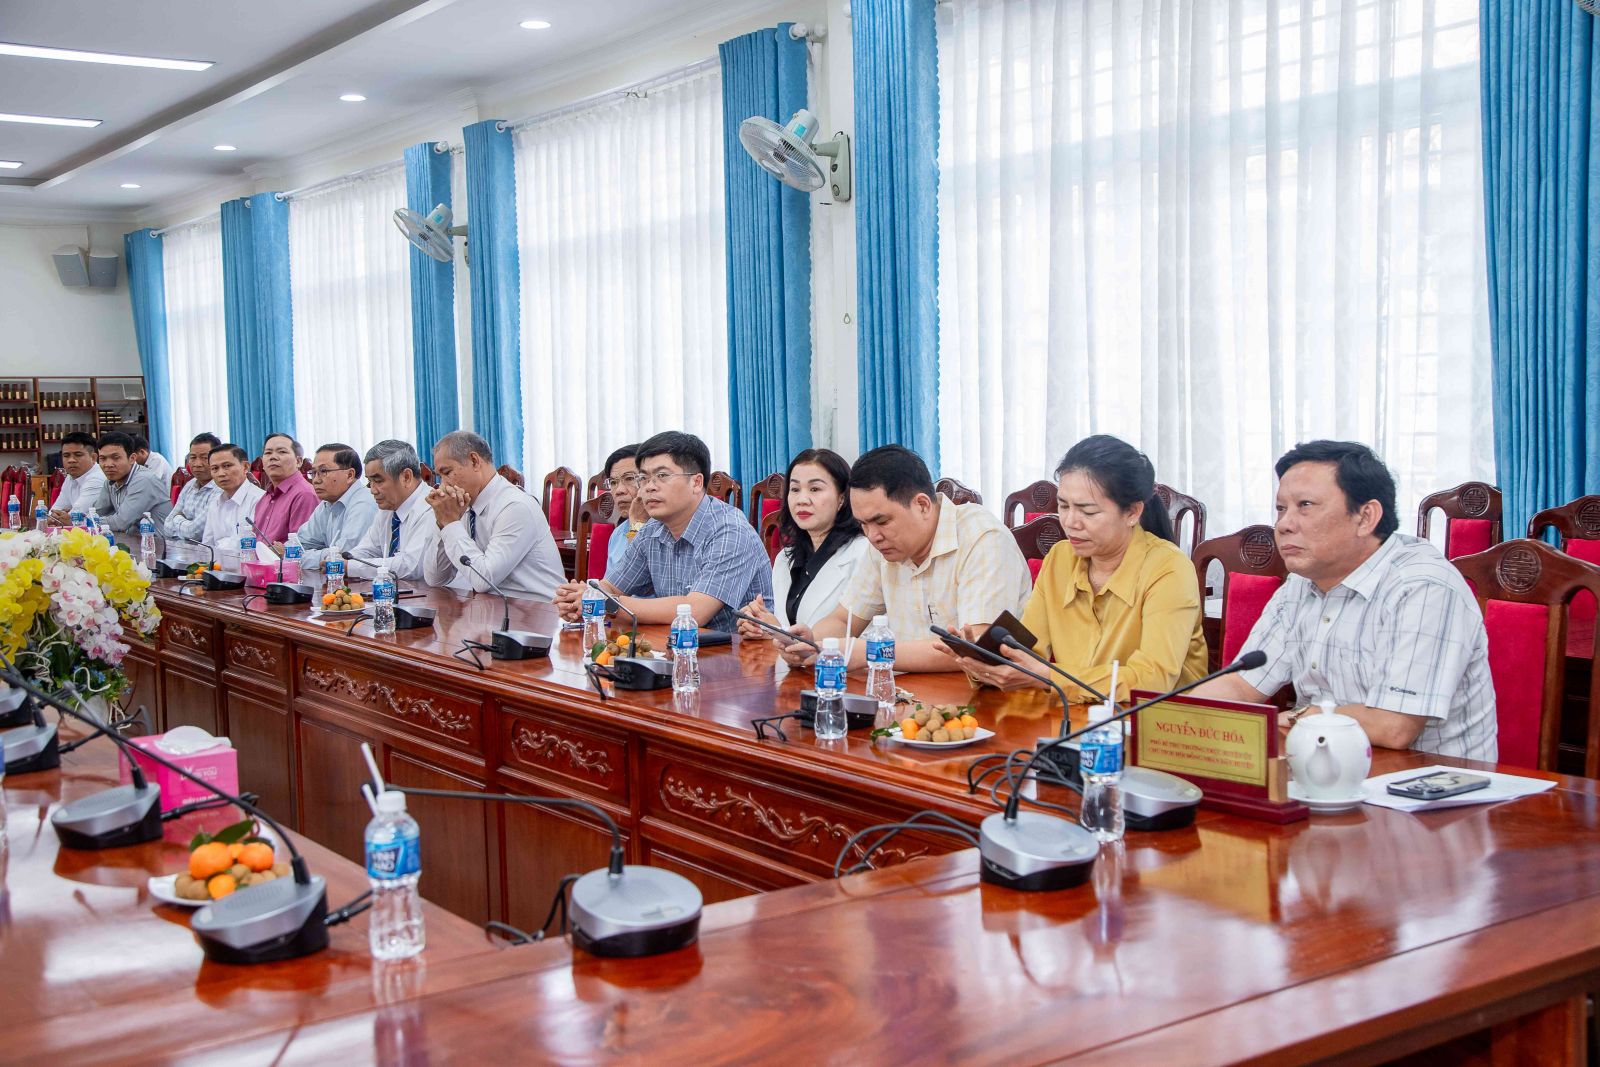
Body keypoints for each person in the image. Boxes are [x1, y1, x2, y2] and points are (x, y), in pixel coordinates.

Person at [1192, 440, 1497, 762]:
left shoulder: (1421, 587)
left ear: (1365, 517)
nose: (1283, 524)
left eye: (1305, 505)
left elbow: (1394, 725)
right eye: (1281, 509)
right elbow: (1242, 685)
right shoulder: (1301, 584)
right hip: (1325, 769)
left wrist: (1299, 716)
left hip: (1428, 782)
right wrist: (1176, 717)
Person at [951, 435, 1206, 702]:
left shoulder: (1170, 569)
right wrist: (985, 662)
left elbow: (1153, 680)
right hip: (1077, 716)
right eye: (1063, 506)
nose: (1070, 522)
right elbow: (1027, 652)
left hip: (1158, 722)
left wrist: (1049, 676)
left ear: (1132, 512)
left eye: (1088, 511)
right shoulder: (1060, 559)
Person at [777, 445, 1032, 674]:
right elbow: (844, 619)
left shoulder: (982, 539)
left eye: (881, 521)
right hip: (907, 696)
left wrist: (871, 652)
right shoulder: (882, 546)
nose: (872, 536)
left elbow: (975, 647)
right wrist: (812, 643)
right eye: (863, 524)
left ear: (922, 505)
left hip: (981, 700)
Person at [554, 431, 772, 633]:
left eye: (662, 476)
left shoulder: (730, 530)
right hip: (673, 649)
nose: (649, 487)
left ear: (696, 482)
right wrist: (581, 599)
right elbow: (611, 586)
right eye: (643, 478)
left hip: (737, 656)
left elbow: (696, 611)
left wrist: (604, 602)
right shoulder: (652, 529)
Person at [737, 448, 869, 636]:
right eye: (795, 489)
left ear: (841, 498)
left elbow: (868, 636)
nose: (802, 500)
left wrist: (777, 631)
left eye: (815, 489)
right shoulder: (785, 558)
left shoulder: (864, 554)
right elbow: (785, 629)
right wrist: (761, 628)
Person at [422, 431, 565, 600]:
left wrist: (451, 523)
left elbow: (484, 580)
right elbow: (435, 578)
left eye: (447, 472)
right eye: (440, 476)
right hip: (492, 608)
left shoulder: (514, 506)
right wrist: (442, 524)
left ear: (474, 461)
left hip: (537, 610)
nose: (443, 485)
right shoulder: (462, 506)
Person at [346, 440, 438, 582]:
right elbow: (368, 549)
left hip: (440, 594)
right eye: (370, 482)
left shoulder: (432, 506)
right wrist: (341, 561)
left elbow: (410, 567)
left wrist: (350, 567)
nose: (372, 490)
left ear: (406, 477)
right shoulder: (388, 507)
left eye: (378, 481)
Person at [281, 443, 377, 575]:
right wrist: (292, 553)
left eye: (323, 471)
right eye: (313, 473)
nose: (315, 480)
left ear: (350, 475)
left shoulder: (364, 504)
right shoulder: (327, 503)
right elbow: (300, 543)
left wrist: (297, 557)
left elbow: (344, 555)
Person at [88, 431, 173, 541]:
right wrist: (87, 519)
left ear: (132, 458)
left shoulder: (144, 480)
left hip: (160, 545)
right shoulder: (110, 482)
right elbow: (96, 513)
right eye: (103, 459)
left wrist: (88, 521)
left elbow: (120, 522)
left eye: (116, 458)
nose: (108, 464)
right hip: (134, 542)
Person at [250, 433, 318, 545]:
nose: (273, 457)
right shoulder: (264, 497)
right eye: (268, 453)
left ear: (298, 461)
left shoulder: (304, 495)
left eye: (282, 452)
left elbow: (301, 547)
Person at [201, 443, 266, 553]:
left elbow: (252, 546)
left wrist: (219, 548)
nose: (221, 474)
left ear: (245, 467)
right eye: (215, 468)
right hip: (217, 562)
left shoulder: (260, 500)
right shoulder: (214, 502)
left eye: (227, 466)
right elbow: (207, 545)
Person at [599, 443, 649, 578]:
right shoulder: (618, 534)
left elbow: (636, 579)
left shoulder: (668, 530)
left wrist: (637, 525)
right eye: (613, 482)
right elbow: (610, 586)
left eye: (629, 478)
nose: (619, 491)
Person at [164, 433, 223, 545]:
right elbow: (167, 526)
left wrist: (177, 519)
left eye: (204, 458)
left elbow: (195, 533)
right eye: (193, 457)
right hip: (183, 549)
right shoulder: (190, 485)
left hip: (208, 552)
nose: (197, 464)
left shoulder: (221, 488)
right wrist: (186, 525)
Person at [47, 431, 106, 523]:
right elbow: (54, 512)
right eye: (66, 456)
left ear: (93, 458)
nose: (71, 460)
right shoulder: (70, 477)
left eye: (78, 455)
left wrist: (64, 516)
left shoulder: (97, 478)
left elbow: (74, 518)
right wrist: (56, 517)